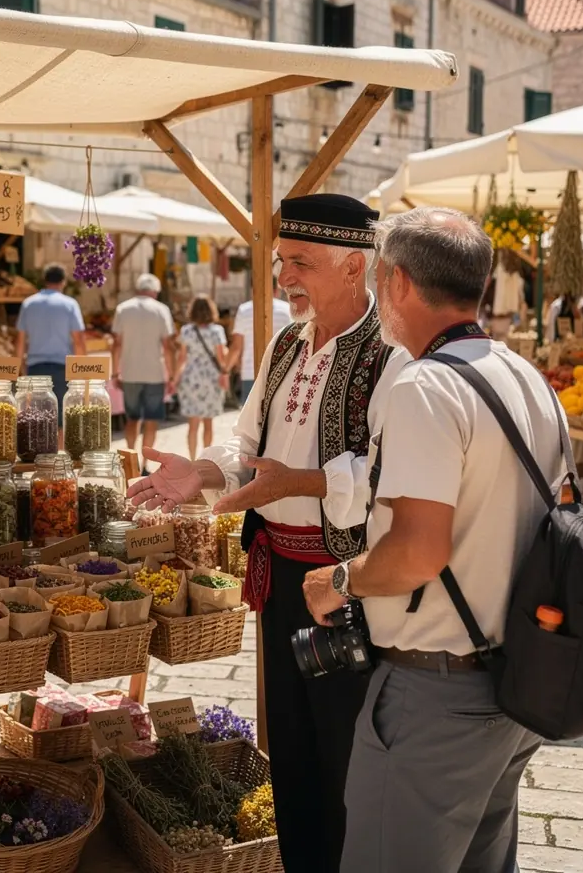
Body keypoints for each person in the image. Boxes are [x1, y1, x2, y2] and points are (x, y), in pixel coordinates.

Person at [127, 194, 409, 873]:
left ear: (353, 267)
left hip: (345, 588)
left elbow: (389, 470)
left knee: (345, 741)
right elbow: (246, 441)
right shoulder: (286, 342)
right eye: (283, 260)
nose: (285, 276)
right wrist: (199, 471)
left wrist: (300, 485)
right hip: (282, 578)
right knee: (291, 738)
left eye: (300, 263)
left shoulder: (390, 355)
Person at [302, 207, 563, 873]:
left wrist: (339, 580)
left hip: (438, 694)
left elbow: (419, 551)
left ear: (397, 284)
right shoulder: (527, 377)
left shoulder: (427, 385)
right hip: (517, 682)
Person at [111, 273, 176, 455]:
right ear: (155, 292)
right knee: (151, 420)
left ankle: (131, 458)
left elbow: (116, 344)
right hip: (154, 373)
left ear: (138, 289)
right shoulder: (161, 310)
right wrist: (171, 375)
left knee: (132, 418)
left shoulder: (123, 309)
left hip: (130, 373)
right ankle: (146, 462)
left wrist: (115, 373)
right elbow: (168, 346)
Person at [16, 264, 86, 418]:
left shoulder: (28, 304)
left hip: (35, 369)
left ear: (44, 280)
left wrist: (21, 369)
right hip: (62, 369)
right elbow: (78, 341)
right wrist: (81, 372)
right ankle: (60, 444)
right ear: (64, 282)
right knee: (61, 420)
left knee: (37, 418)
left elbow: (20, 341)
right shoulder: (70, 304)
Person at [175, 294, 229, 459]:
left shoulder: (186, 331)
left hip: (191, 379)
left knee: (192, 424)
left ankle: (192, 459)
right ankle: (206, 458)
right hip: (211, 379)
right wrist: (225, 373)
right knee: (208, 423)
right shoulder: (217, 331)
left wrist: (174, 378)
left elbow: (182, 358)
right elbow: (221, 358)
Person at [230, 282, 292, 405]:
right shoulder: (287, 309)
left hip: (250, 371)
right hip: (282, 372)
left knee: (250, 421)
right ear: (276, 290)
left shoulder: (244, 310)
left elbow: (237, 346)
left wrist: (229, 368)